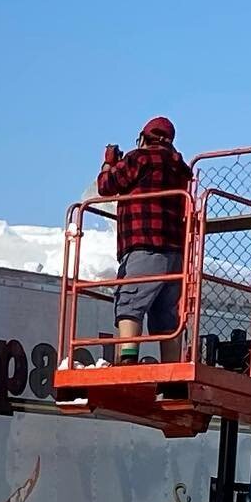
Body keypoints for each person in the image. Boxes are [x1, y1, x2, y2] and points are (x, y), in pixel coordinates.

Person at [96, 116, 192, 364]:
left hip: (142, 244)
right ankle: (171, 372)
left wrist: (109, 164)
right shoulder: (181, 169)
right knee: (168, 315)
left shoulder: (139, 158)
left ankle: (127, 359)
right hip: (175, 251)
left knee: (130, 302)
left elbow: (106, 186)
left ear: (144, 136)